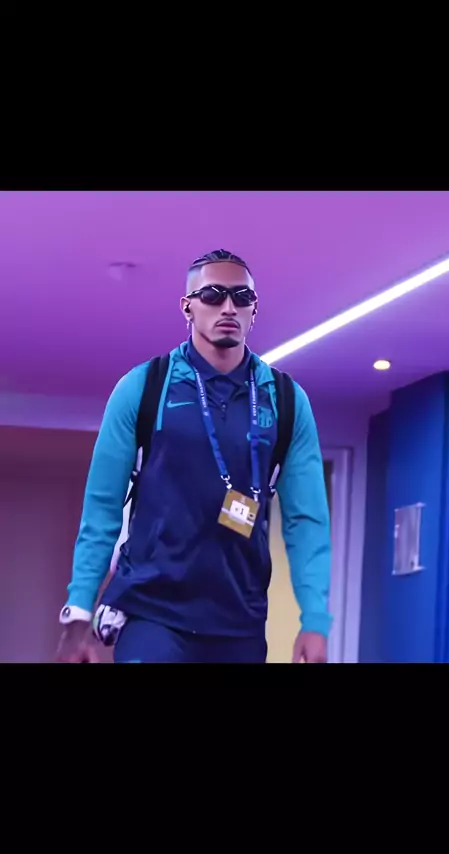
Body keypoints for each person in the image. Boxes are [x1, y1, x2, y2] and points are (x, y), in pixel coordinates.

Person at [56, 250, 332, 664]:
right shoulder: (144, 387)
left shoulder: (285, 400)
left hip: (240, 620)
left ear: (254, 310)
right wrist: (78, 613)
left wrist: (314, 620)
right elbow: (102, 507)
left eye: (241, 297)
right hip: (152, 613)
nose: (228, 307)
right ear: (187, 307)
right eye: (213, 295)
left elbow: (305, 519)